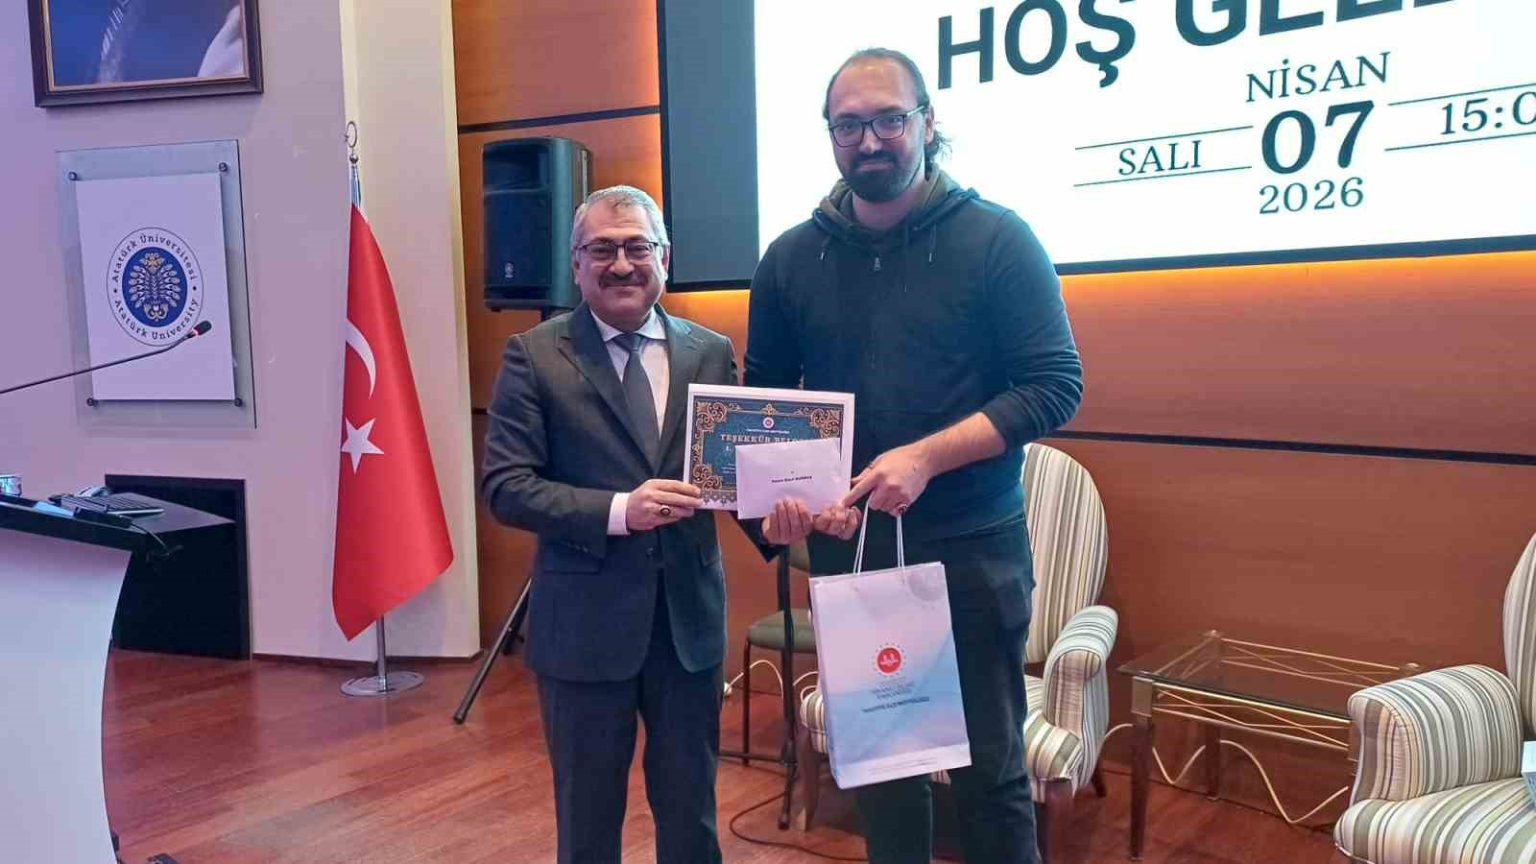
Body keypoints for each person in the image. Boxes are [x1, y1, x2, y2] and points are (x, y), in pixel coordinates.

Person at [745, 48, 1085, 864]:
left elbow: (1054, 386)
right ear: (830, 135)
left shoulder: (998, 240)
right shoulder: (790, 258)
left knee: (990, 776)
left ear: (929, 124)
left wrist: (927, 458)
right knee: (883, 773)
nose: (869, 141)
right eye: (849, 125)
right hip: (853, 555)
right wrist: (782, 505)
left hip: (972, 555)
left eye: (889, 120)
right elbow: (765, 405)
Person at [480, 186, 737, 864]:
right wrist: (622, 512)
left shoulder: (712, 351)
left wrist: (790, 511)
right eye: (601, 249)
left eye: (636, 247)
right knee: (588, 824)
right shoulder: (534, 355)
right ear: (576, 264)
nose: (621, 264)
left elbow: (734, 475)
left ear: (665, 258)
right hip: (583, 631)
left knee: (693, 817)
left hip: (687, 628)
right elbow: (506, 487)